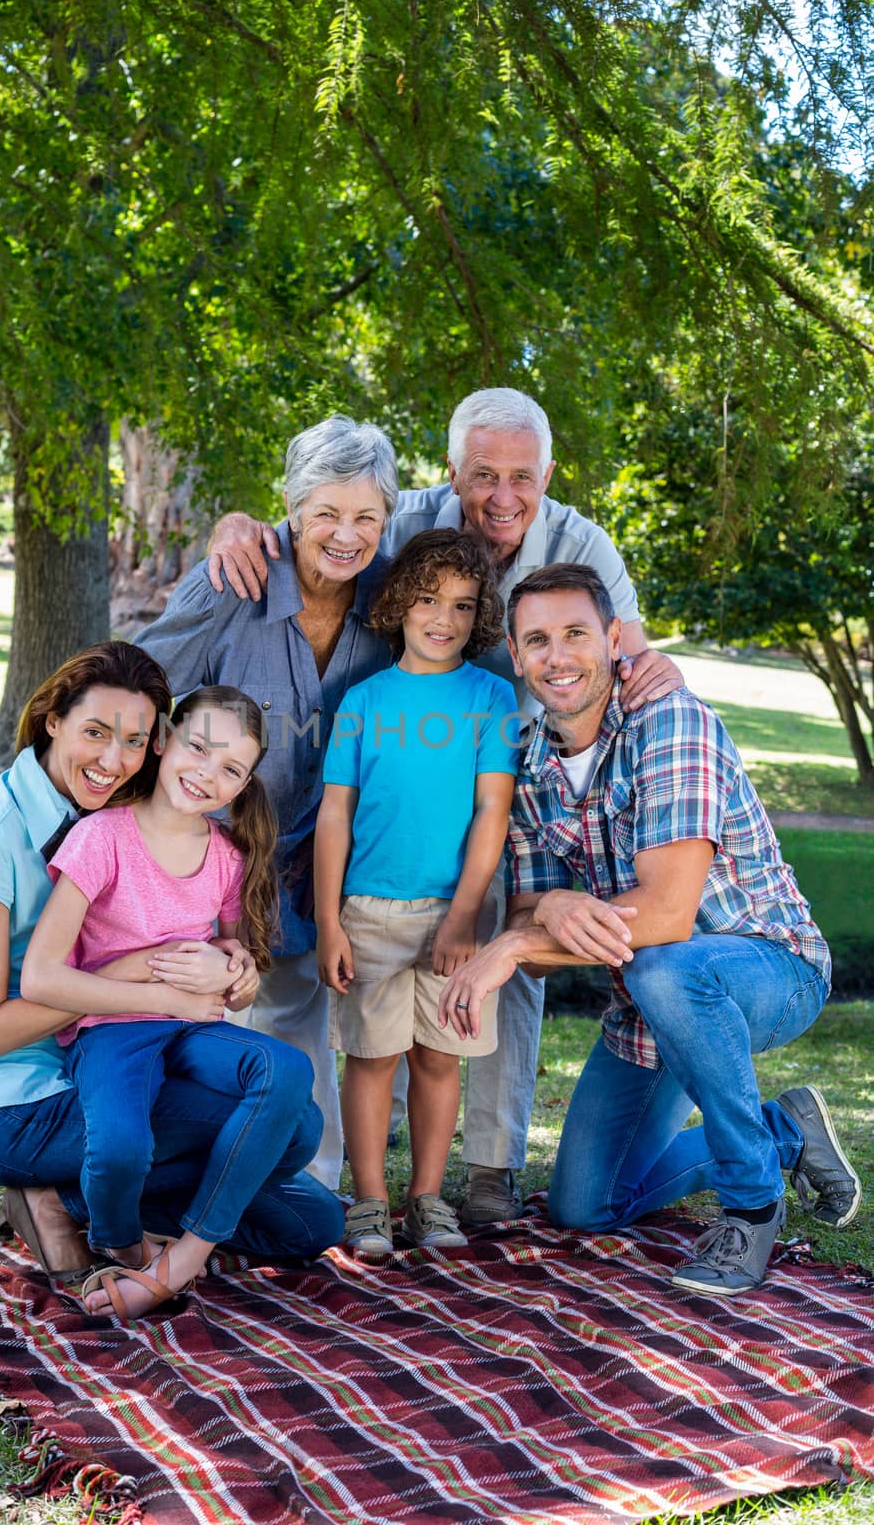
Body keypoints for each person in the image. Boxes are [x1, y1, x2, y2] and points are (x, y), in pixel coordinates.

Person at [206, 388, 684, 1225]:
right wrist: (242, 527)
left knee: (503, 969)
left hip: (526, 776)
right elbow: (326, 530)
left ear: (547, 475)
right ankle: (368, 1186)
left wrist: (659, 680)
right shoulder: (404, 526)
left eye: (521, 477)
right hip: (394, 796)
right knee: (374, 1032)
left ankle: (488, 1167)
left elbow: (630, 650)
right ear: (451, 472)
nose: (502, 496)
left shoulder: (580, 543)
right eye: (482, 475)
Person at [439, 563, 861, 1294]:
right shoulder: (532, 764)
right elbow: (531, 930)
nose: (557, 657)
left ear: (611, 639)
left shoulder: (669, 721)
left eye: (575, 633)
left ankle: (751, 1206)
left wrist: (513, 941)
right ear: (513, 652)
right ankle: (786, 1131)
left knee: (662, 966)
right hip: (649, 1007)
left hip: (768, 968)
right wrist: (543, 910)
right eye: (537, 640)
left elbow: (663, 916)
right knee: (583, 1205)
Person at [0, 642, 343, 1295]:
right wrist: (142, 976)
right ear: (52, 720)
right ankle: (67, 1203)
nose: (112, 760)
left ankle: (82, 1197)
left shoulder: (122, 816)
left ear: (155, 744)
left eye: (133, 740)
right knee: (291, 1129)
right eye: (95, 732)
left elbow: (208, 931)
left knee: (309, 1217)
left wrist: (233, 968)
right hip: (25, 1103)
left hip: (140, 1051)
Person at [137, 415, 399, 1190]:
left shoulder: (391, 599)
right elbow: (138, 683)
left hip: (320, 858)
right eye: (325, 513)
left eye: (365, 518)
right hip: (211, 856)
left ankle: (300, 1188)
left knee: (298, 1026)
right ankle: (167, 1183)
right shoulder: (232, 579)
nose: (345, 535)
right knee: (194, 1025)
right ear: (289, 506)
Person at [20, 685, 309, 1321]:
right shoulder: (101, 839)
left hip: (191, 1030)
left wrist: (238, 971)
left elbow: (238, 956)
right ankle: (115, 1238)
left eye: (230, 768)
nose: (207, 773)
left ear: (243, 785)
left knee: (292, 1090)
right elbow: (43, 977)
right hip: (110, 1029)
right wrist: (163, 993)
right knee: (122, 1147)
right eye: (197, 747)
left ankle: (183, 1257)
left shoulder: (227, 858)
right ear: (163, 742)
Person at [316, 530, 518, 1252]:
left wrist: (464, 914)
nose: (443, 618)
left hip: (457, 917)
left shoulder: (493, 698)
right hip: (367, 908)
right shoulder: (362, 701)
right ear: (398, 602)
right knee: (370, 1058)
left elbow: (492, 809)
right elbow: (334, 814)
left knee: (438, 1058)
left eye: (463, 606)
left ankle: (426, 1197)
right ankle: (368, 1200)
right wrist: (328, 921)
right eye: (428, 599)